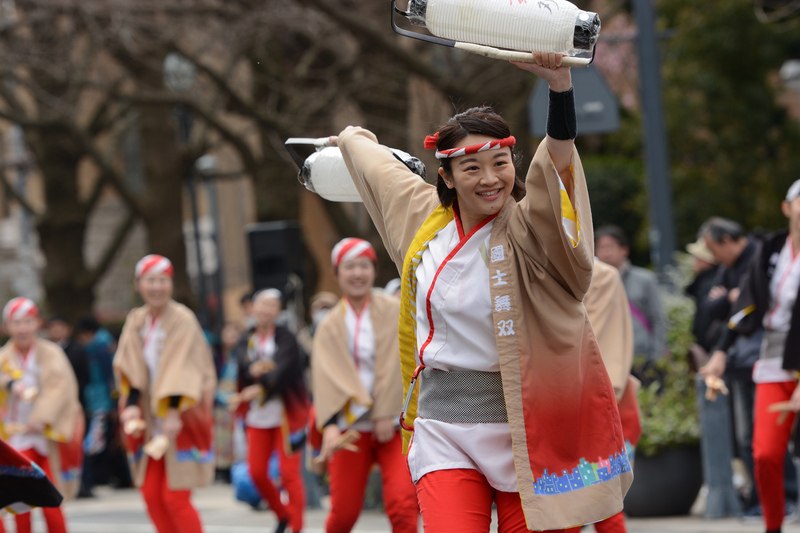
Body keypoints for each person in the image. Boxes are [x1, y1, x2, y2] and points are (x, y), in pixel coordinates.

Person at [331, 53, 630, 531]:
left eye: (499, 163)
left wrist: (559, 88)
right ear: (445, 177)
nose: (490, 179)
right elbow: (378, 169)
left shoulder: (532, 229)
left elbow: (557, 160)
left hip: (528, 429)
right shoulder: (424, 219)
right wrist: (348, 139)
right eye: (471, 169)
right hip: (444, 429)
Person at [703, 180, 800, 533]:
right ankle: (773, 525)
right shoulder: (772, 249)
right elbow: (746, 306)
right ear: (786, 208)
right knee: (765, 455)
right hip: (775, 360)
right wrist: (720, 352)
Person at [311, 237, 420, 533]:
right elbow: (323, 379)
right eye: (349, 267)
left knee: (403, 506)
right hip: (351, 426)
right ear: (336, 274)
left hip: (394, 424)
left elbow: (404, 362)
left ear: (373, 270)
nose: (357, 273)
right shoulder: (329, 324)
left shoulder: (395, 309)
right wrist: (330, 425)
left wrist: (386, 410)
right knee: (343, 513)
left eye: (363, 266)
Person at [113, 255, 217, 533]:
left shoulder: (182, 319)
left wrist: (172, 411)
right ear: (138, 285)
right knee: (151, 495)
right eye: (151, 281)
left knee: (176, 496)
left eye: (163, 280)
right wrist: (132, 405)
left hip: (180, 414)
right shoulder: (137, 320)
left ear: (171, 284)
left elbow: (184, 368)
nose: (157, 287)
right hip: (149, 418)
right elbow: (129, 365)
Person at [696, 217, 786, 516]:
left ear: (728, 240)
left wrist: (734, 299)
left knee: (771, 438)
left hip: (771, 357)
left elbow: (749, 307)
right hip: (743, 360)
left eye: (713, 248)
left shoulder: (764, 256)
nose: (711, 257)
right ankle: (766, 502)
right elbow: (716, 309)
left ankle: (786, 498)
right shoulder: (727, 267)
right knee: (755, 440)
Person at [0, 297, 83, 533]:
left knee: (50, 498)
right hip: (15, 437)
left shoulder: (51, 352)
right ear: (7, 326)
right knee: (20, 499)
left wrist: (41, 417)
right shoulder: (3, 357)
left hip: (47, 434)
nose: (23, 328)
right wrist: (10, 383)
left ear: (37, 323)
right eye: (16, 323)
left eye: (28, 322)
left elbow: (61, 388)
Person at [235, 289, 309, 533]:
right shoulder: (246, 338)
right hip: (258, 416)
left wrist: (263, 380)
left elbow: (285, 368)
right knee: (256, 472)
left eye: (272, 306)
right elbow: (244, 369)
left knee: (289, 475)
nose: (266, 310)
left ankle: (297, 527)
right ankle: (282, 513)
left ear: (279, 311)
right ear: (252, 308)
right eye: (262, 305)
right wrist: (258, 372)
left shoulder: (286, 337)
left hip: (288, 415)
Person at [583, 259, 641, 533]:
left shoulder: (601, 276)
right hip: (588, 398)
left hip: (593, 400)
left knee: (599, 497)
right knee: (596, 497)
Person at [595, 225, 667, 374]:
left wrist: (657, 354)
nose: (606, 253)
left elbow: (658, 318)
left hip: (644, 357)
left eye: (610, 247)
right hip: (609, 360)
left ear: (624, 250)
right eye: (601, 248)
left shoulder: (645, 279)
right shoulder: (592, 285)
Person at [75, 316, 132, 493]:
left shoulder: (100, 349)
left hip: (103, 401)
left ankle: (106, 478)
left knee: (97, 442)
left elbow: (110, 378)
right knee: (108, 440)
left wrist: (114, 403)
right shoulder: (100, 346)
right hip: (100, 399)